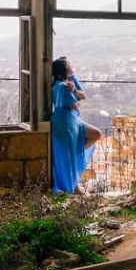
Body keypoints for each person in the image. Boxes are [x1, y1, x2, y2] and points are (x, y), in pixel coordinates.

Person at [50, 57, 101, 195]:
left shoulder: (70, 81)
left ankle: (76, 153)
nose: (71, 65)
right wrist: (76, 101)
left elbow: (82, 96)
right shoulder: (61, 85)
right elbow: (72, 104)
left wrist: (75, 93)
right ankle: (74, 189)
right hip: (65, 122)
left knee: (96, 134)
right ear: (64, 68)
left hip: (72, 121)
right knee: (67, 156)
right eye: (68, 64)